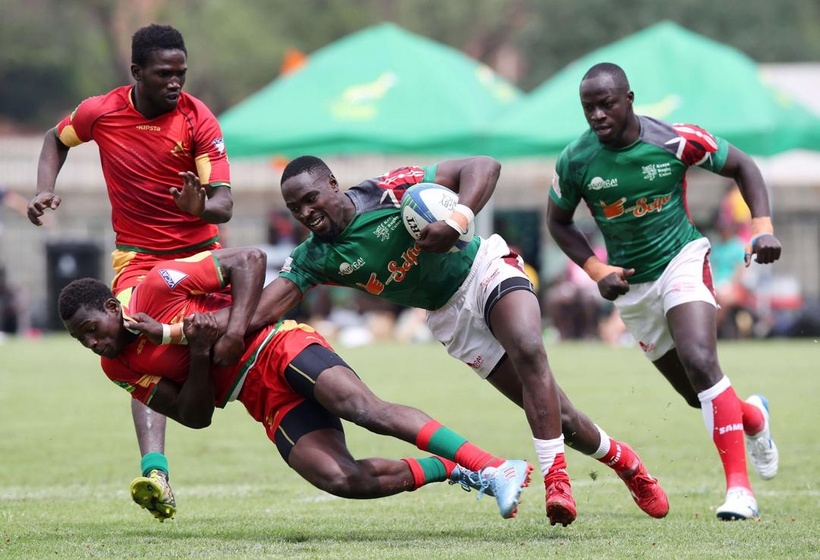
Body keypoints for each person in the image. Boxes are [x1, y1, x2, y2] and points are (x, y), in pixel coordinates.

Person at [131, 156, 671, 526]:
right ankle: (628, 464)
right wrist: (176, 332)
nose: (306, 213)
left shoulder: (390, 189)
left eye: (312, 199)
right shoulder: (316, 255)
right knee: (561, 413)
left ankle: (557, 482)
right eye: (296, 209)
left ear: (335, 185)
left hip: (482, 269)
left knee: (531, 350)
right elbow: (258, 312)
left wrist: (458, 218)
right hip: (449, 317)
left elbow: (484, 167)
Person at [58, 246, 533, 520]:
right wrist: (201, 354)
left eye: (92, 330)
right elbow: (194, 417)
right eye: (81, 340)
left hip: (278, 346)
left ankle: (494, 465)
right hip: (257, 396)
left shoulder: (157, 287)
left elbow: (249, 260)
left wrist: (237, 328)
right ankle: (458, 471)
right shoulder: (117, 369)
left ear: (112, 309)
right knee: (340, 480)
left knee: (362, 408)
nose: (92, 344)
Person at [546, 62, 781, 521]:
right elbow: (558, 222)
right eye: (588, 107)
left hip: (682, 260)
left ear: (629, 99)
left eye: (606, 104)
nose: (597, 115)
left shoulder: (675, 139)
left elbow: (742, 165)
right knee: (700, 394)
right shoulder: (575, 160)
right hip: (633, 289)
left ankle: (739, 492)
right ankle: (753, 417)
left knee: (700, 359)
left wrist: (762, 228)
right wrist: (596, 270)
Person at [27, 24, 233, 521]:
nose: (176, 83)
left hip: (198, 254)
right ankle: (156, 471)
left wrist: (199, 206)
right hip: (137, 260)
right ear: (136, 72)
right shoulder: (101, 112)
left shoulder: (197, 119)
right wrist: (42, 188)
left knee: (240, 338)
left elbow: (223, 204)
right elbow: (56, 138)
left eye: (181, 73)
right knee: (132, 348)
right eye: (165, 74)